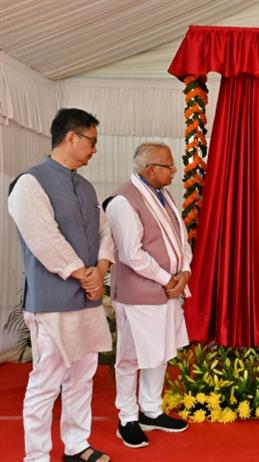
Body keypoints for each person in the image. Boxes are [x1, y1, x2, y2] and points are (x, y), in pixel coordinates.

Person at [8, 108, 113, 462]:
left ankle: (76, 445)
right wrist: (84, 274)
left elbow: (105, 232)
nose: (95, 149)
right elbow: (44, 239)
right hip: (52, 301)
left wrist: (101, 268)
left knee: (83, 376)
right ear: (71, 137)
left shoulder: (85, 186)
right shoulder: (29, 183)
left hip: (87, 300)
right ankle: (37, 456)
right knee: (46, 380)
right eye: (92, 141)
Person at [105, 142, 191, 448]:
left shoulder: (163, 195)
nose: (175, 170)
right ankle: (127, 417)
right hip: (138, 294)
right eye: (169, 165)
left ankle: (151, 410)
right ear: (150, 169)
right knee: (130, 357)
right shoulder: (123, 201)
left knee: (161, 351)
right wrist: (168, 278)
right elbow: (131, 253)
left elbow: (181, 240)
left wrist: (184, 272)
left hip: (168, 290)